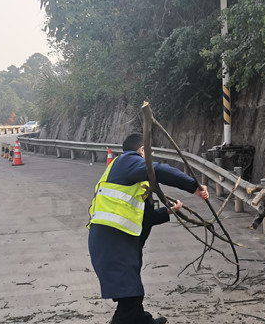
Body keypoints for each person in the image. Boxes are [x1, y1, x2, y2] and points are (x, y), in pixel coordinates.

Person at [88, 133, 209, 324]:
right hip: (111, 242)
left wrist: (168, 211)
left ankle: (145, 321)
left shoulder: (133, 178)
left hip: (119, 241)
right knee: (130, 296)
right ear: (142, 150)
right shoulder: (127, 161)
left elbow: (144, 217)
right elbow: (157, 170)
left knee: (133, 293)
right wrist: (194, 186)